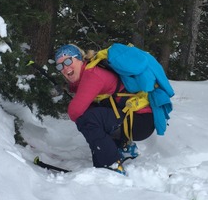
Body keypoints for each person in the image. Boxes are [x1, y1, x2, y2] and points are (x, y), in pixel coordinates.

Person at [54, 43, 155, 175]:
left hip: (140, 121)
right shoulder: (89, 73)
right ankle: (122, 148)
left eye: (68, 61)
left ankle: (111, 165)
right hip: (135, 119)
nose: (65, 67)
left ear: (80, 58)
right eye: (60, 65)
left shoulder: (93, 74)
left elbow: (75, 111)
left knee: (87, 119)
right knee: (93, 113)